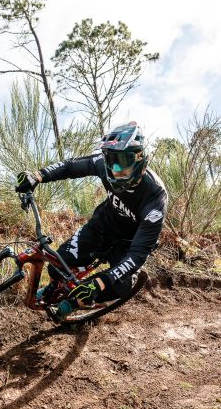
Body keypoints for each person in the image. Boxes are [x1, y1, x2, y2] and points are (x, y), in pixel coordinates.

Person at [16, 122, 168, 320]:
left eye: (121, 161)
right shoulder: (104, 166)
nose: (114, 169)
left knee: (121, 286)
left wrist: (99, 284)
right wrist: (38, 176)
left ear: (139, 158)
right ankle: (53, 288)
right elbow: (70, 166)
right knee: (57, 266)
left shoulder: (155, 197)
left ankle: (74, 303)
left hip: (128, 245)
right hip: (102, 226)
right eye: (111, 160)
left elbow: (139, 253)